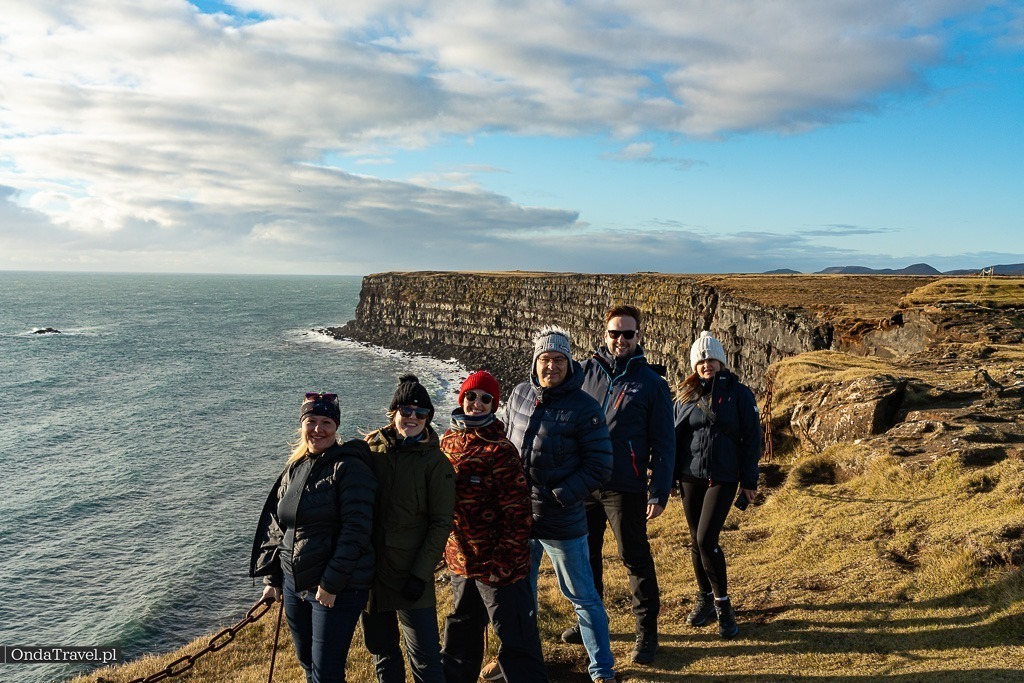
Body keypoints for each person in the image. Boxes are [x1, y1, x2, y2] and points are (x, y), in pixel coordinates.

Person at [498, 326, 616, 683]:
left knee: (582, 595)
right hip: (519, 517)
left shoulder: (584, 406)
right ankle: (522, 663)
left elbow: (599, 464)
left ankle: (602, 668)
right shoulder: (519, 394)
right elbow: (502, 440)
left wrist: (560, 495)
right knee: (522, 596)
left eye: (558, 360)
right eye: (545, 359)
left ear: (569, 363)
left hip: (561, 518)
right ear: (535, 363)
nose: (551, 366)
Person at [566, 304, 675, 664]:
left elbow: (664, 442)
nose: (621, 340)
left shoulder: (652, 384)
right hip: (585, 483)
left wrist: (658, 491)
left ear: (638, 336)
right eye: (615, 333)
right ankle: (591, 624)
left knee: (634, 557)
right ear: (605, 334)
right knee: (586, 557)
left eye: (628, 333)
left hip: (625, 485)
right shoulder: (583, 372)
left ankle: (647, 633)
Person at [250, 392, 376, 683]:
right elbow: (279, 526)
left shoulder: (350, 468)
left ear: (337, 427)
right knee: (308, 663)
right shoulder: (296, 466)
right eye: (311, 421)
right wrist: (273, 578)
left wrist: (331, 584)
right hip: (295, 583)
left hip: (337, 587)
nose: (318, 428)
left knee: (326, 673)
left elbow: (356, 531)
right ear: (302, 424)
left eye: (326, 422)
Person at [439, 370, 548, 683]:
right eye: (471, 396)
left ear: (494, 404)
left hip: (499, 567)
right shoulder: (447, 441)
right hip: (461, 561)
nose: (477, 403)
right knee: (460, 637)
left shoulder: (500, 450)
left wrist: (503, 562)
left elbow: (518, 513)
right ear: (462, 399)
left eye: (485, 398)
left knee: (516, 641)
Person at [361, 374, 456, 683]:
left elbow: (442, 522)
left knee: (425, 657)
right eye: (405, 411)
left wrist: (420, 574)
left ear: (428, 417)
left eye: (420, 412)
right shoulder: (372, 451)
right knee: (383, 652)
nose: (412, 417)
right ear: (394, 413)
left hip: (411, 575)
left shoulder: (435, 463)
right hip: (372, 574)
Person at [673, 331, 761, 639]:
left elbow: (752, 439)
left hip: (723, 477)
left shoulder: (739, 394)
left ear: (721, 361)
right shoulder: (685, 395)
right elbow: (674, 437)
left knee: (707, 539)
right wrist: (668, 477)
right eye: (701, 360)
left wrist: (749, 481)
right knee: (696, 541)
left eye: (711, 359)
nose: (706, 365)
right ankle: (704, 599)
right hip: (689, 476)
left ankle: (724, 607)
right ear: (694, 365)